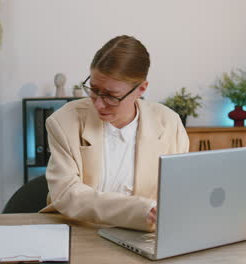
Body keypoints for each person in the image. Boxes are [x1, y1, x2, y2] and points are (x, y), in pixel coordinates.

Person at [39, 35, 189, 232]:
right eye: (93, 89)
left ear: (141, 89)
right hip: (81, 232)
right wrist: (140, 210)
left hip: (145, 235)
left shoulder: (170, 124)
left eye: (111, 96)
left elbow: (179, 193)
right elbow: (66, 194)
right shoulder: (63, 122)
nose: (99, 104)